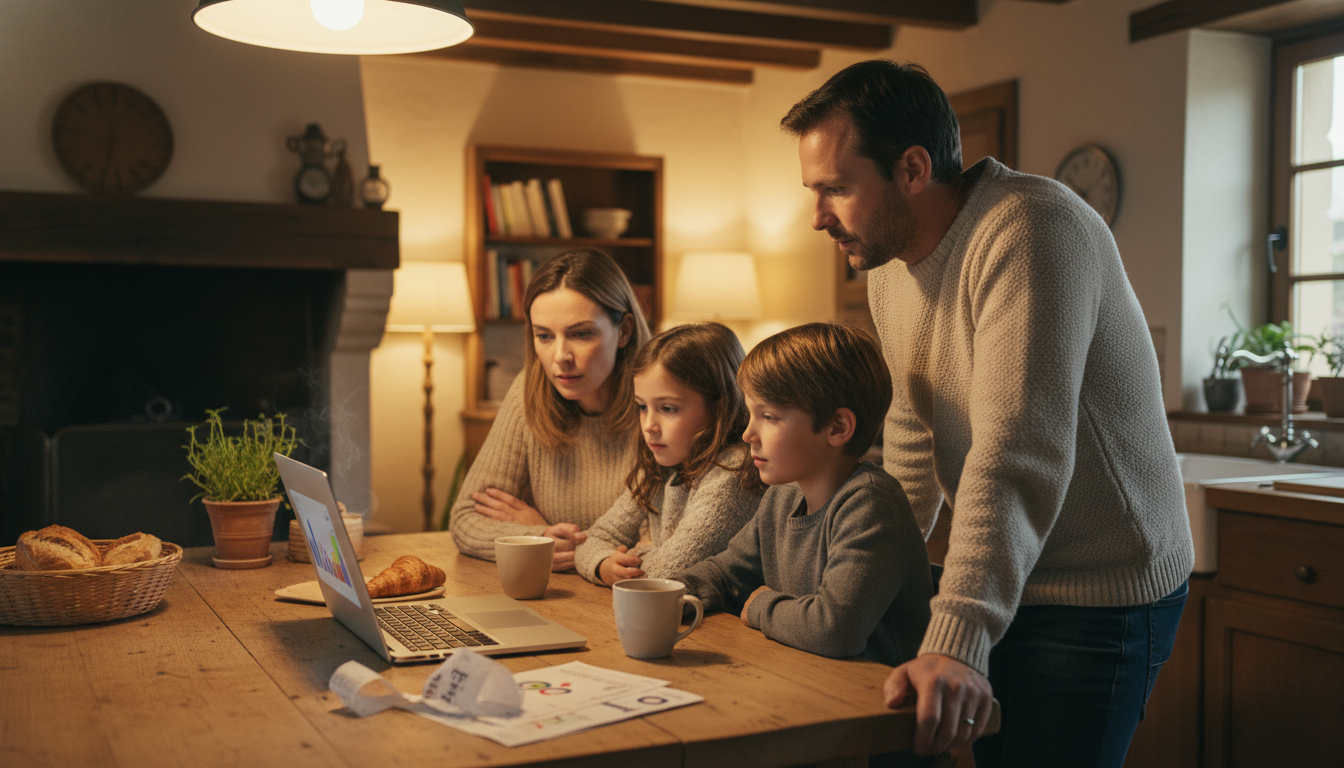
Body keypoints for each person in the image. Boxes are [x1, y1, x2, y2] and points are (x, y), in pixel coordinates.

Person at [780, 60, 1195, 767]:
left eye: (837, 189)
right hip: (1013, 569)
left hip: (1099, 589)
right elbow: (913, 440)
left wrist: (956, 634)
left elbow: (1015, 452)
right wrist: (883, 579)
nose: (819, 216)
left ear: (913, 168)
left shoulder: (1031, 228)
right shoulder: (890, 268)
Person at [677, 322, 933, 669]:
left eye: (769, 416)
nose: (749, 433)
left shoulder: (870, 504)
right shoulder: (782, 497)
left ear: (837, 427)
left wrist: (759, 606)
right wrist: (668, 593)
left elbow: (835, 629)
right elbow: (726, 575)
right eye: (751, 414)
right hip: (804, 676)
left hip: (874, 703)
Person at [449, 248, 651, 571]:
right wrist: (538, 535)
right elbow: (465, 519)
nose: (560, 357)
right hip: (559, 598)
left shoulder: (659, 407)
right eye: (544, 335)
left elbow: (654, 550)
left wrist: (551, 544)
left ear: (624, 331)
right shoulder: (528, 392)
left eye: (581, 334)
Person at [573, 322, 766, 586]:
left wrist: (637, 552)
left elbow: (666, 574)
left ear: (718, 406)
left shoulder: (732, 470)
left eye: (668, 408)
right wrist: (603, 564)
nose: (649, 425)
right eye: (642, 406)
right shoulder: (662, 465)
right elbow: (591, 540)